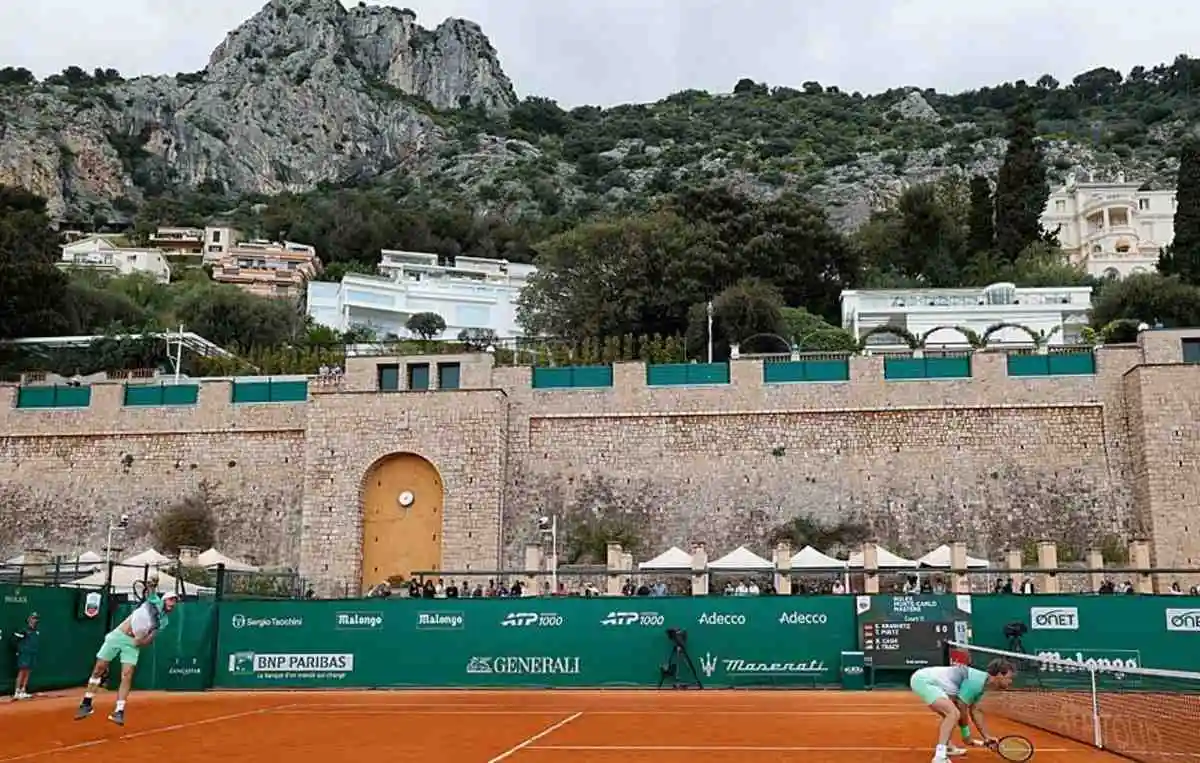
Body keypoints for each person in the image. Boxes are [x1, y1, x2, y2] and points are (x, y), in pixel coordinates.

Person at [74, 590, 179, 726]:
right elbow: (151, 589)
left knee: (127, 675)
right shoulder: (154, 601)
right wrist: (153, 583)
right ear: (164, 600)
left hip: (132, 645)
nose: (173, 603)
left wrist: (141, 642)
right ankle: (86, 703)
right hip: (117, 636)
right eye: (171, 599)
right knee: (99, 669)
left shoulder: (163, 621)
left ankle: (119, 711)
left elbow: (150, 638)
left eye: (175, 601)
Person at [910, 658, 1015, 763]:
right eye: (1009, 678)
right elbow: (962, 705)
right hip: (924, 681)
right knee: (953, 713)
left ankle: (948, 747)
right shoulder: (976, 682)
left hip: (927, 681)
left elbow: (974, 711)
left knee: (950, 714)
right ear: (1000, 675)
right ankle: (939, 757)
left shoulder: (982, 684)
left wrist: (986, 737)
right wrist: (966, 735)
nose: (1011, 681)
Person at [11, 612, 40, 700]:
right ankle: (16, 692)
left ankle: (23, 691)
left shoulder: (36, 630)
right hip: (24, 653)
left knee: (28, 672)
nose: (35, 620)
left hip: (32, 653)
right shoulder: (23, 629)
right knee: (22, 671)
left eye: (36, 618)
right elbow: (14, 640)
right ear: (29, 619)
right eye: (33, 618)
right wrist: (18, 650)